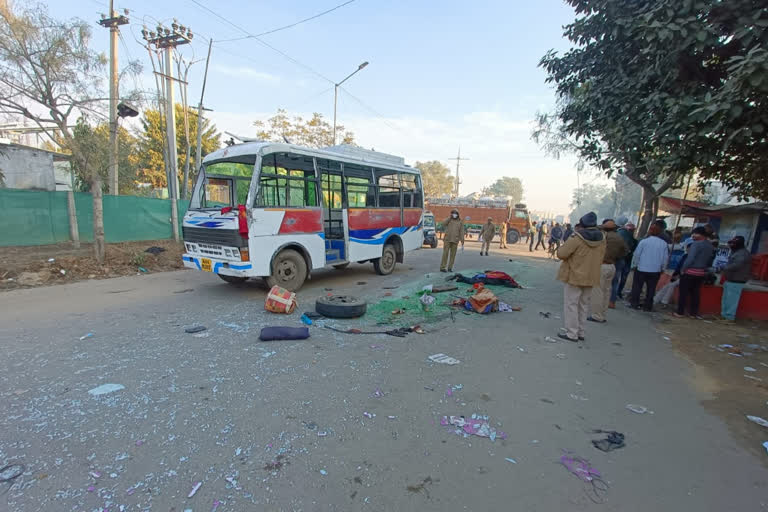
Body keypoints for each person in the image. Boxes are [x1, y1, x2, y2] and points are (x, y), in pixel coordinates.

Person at [555, 212, 606, 342]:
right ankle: (581, 332)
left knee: (571, 304)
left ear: (582, 224)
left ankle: (572, 333)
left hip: (575, 276)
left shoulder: (577, 238)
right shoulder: (602, 239)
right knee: (583, 305)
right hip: (591, 276)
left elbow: (561, 254)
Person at [588, 219, 628, 322]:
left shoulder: (603, 237)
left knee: (597, 291)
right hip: (612, 266)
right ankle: (602, 315)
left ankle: (596, 315)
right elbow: (625, 251)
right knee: (606, 291)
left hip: (602, 265)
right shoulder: (619, 238)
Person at [674, 226, 715, 318]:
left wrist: (683, 269)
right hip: (701, 272)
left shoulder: (696, 244)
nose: (693, 236)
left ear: (700, 234)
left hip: (690, 271)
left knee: (683, 293)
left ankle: (680, 312)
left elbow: (690, 259)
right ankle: (693, 313)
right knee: (695, 293)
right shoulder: (710, 245)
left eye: (694, 234)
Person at [629, 223, 669, 311]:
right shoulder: (663, 244)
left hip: (641, 268)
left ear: (650, 231)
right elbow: (665, 258)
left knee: (637, 287)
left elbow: (636, 254)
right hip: (655, 270)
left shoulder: (644, 242)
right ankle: (647, 306)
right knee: (651, 289)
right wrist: (663, 268)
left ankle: (634, 303)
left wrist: (634, 265)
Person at [720, 235, 751, 322]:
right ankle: (724, 315)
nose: (731, 245)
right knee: (726, 299)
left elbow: (737, 265)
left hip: (737, 280)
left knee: (732, 300)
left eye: (733, 243)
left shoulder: (742, 253)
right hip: (730, 279)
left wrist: (724, 267)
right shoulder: (737, 251)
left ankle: (729, 317)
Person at [655, 239, 692, 306]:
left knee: (671, 285)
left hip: (686, 276)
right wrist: (675, 275)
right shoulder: (685, 256)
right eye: (688, 248)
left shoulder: (691, 258)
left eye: (689, 248)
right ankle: (657, 299)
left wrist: (679, 275)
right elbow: (679, 267)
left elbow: (685, 268)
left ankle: (664, 302)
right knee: (667, 286)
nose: (687, 249)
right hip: (679, 275)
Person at [614, 221, 637, 301]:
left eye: (632, 230)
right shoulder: (629, 238)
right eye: (630, 230)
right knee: (619, 277)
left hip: (623, 260)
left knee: (619, 277)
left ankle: (616, 293)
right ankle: (616, 293)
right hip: (623, 260)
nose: (631, 231)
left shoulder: (630, 238)